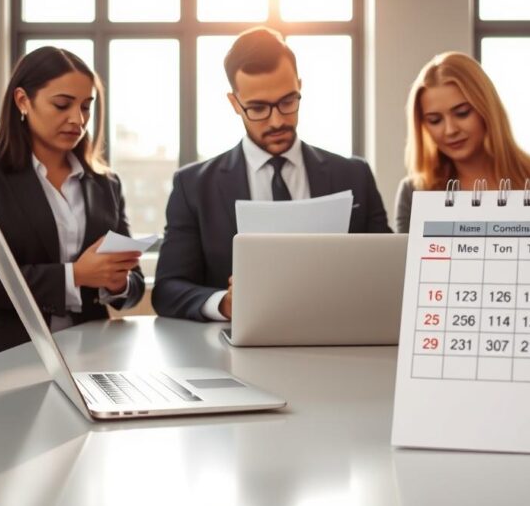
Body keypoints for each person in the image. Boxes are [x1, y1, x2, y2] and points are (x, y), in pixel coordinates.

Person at [153, 27, 391, 321]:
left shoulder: (355, 176)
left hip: (339, 339)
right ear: (234, 103)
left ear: (299, 85)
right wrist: (225, 303)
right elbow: (167, 290)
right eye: (258, 108)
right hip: (233, 354)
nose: (277, 120)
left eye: (288, 102)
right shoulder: (193, 186)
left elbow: (388, 271)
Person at [0, 47, 145, 360]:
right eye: (62, 104)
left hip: (88, 355)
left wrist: (117, 282)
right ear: (23, 100)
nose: (77, 119)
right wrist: (75, 275)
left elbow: (134, 288)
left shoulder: (105, 183)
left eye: (86, 107)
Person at [395, 52, 530, 232]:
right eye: (435, 120)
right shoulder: (414, 192)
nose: (450, 130)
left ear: (486, 109)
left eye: (462, 113)